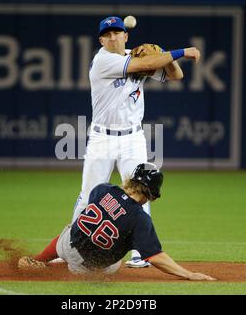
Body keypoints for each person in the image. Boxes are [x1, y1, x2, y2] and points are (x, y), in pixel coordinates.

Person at [70, 16, 201, 268]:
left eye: (117, 33)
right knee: (89, 195)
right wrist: (181, 51)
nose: (112, 37)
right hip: (102, 138)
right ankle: (72, 242)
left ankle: (140, 254)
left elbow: (176, 76)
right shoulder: (103, 60)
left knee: (141, 191)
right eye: (107, 35)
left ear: (125, 36)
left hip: (133, 137)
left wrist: (166, 55)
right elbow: (150, 63)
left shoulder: (137, 55)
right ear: (101, 40)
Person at [19, 163, 215, 281]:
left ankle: (38, 260)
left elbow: (104, 202)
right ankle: (55, 268)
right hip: (89, 269)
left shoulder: (105, 189)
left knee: (74, 229)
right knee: (118, 258)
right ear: (151, 194)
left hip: (66, 246)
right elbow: (155, 257)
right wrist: (189, 274)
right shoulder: (140, 219)